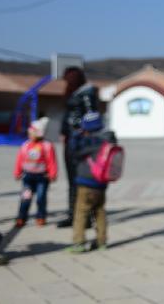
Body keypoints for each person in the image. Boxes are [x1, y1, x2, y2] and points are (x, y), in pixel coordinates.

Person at [66, 112, 116, 253]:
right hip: (102, 182)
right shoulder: (109, 138)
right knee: (100, 211)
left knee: (81, 212)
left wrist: (76, 134)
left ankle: (79, 242)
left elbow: (74, 152)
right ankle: (102, 241)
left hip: (86, 181)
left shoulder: (88, 141)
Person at [57, 67, 99, 228]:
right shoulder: (74, 93)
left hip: (79, 141)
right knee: (72, 179)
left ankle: (85, 215)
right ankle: (73, 213)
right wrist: (63, 132)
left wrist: (84, 133)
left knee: (81, 178)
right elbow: (67, 116)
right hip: (70, 140)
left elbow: (92, 117)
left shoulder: (86, 93)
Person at [13, 117, 58, 227]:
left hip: (42, 177)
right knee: (25, 198)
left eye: (32, 132)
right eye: (29, 132)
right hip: (28, 176)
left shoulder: (47, 146)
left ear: (38, 133)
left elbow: (51, 161)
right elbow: (20, 159)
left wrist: (52, 174)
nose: (30, 134)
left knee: (41, 198)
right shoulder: (25, 145)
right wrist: (17, 172)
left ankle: (41, 217)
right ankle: (21, 217)